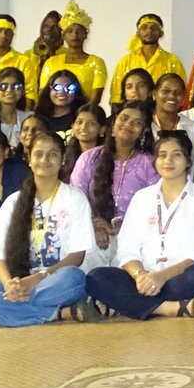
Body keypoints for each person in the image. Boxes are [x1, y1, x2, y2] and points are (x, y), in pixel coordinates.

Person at [0, 132, 94, 326]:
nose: (44, 160)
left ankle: (3, 312)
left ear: (63, 160)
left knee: (73, 277)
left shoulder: (74, 198)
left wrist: (36, 279)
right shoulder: (13, 201)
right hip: (18, 281)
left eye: (52, 154)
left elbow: (77, 257)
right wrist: (9, 285)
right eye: (38, 154)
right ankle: (55, 314)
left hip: (53, 281)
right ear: (29, 159)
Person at [85, 131, 194, 319]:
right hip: (144, 277)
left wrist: (161, 277)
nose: (168, 161)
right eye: (162, 155)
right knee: (96, 277)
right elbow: (127, 248)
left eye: (176, 154)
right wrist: (140, 275)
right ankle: (168, 308)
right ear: (155, 160)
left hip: (181, 278)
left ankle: (131, 303)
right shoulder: (142, 198)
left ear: (189, 161)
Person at [69, 102, 156, 269]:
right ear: (114, 122)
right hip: (93, 232)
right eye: (124, 118)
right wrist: (93, 224)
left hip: (134, 235)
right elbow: (76, 197)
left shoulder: (149, 164)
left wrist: (127, 225)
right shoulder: (90, 157)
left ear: (144, 131)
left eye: (137, 122)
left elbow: (154, 206)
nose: (128, 124)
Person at [37, 0, 108, 113]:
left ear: (85, 35)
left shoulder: (96, 62)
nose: (75, 35)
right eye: (70, 31)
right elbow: (43, 94)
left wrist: (81, 116)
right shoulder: (51, 62)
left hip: (83, 115)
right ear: (63, 35)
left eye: (79, 31)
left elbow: (95, 98)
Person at [109, 14, 187, 104]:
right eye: (144, 28)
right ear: (138, 33)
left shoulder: (172, 61)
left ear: (161, 33)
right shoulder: (125, 61)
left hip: (162, 111)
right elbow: (116, 97)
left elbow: (181, 92)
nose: (149, 31)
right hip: (133, 110)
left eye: (153, 28)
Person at [152, 72, 194, 154]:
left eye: (178, 93)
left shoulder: (193, 129)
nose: (172, 96)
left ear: (183, 98)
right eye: (166, 91)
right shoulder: (145, 125)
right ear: (154, 94)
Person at [0, 66, 30, 149]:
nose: (9, 90)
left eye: (16, 86)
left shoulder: (28, 119)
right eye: (3, 87)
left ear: (23, 91)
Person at [35, 69, 84, 136]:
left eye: (69, 88)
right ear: (49, 90)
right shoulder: (39, 116)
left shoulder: (82, 116)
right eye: (57, 87)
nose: (62, 92)